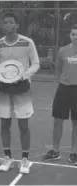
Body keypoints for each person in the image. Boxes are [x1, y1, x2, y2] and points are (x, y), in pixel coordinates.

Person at [0, 12, 40, 174]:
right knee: (5, 124)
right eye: (5, 23)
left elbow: (35, 64)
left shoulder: (27, 42)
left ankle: (25, 159)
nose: (7, 25)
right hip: (4, 89)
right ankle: (8, 158)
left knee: (23, 125)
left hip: (22, 88)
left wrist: (23, 76)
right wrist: (0, 74)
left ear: (16, 25)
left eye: (10, 22)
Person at [43, 24, 77, 165]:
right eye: (74, 34)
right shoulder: (63, 51)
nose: (76, 37)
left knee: (76, 122)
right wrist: (60, 78)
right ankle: (55, 151)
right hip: (64, 89)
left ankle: (74, 152)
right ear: (70, 35)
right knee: (58, 120)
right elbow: (58, 67)